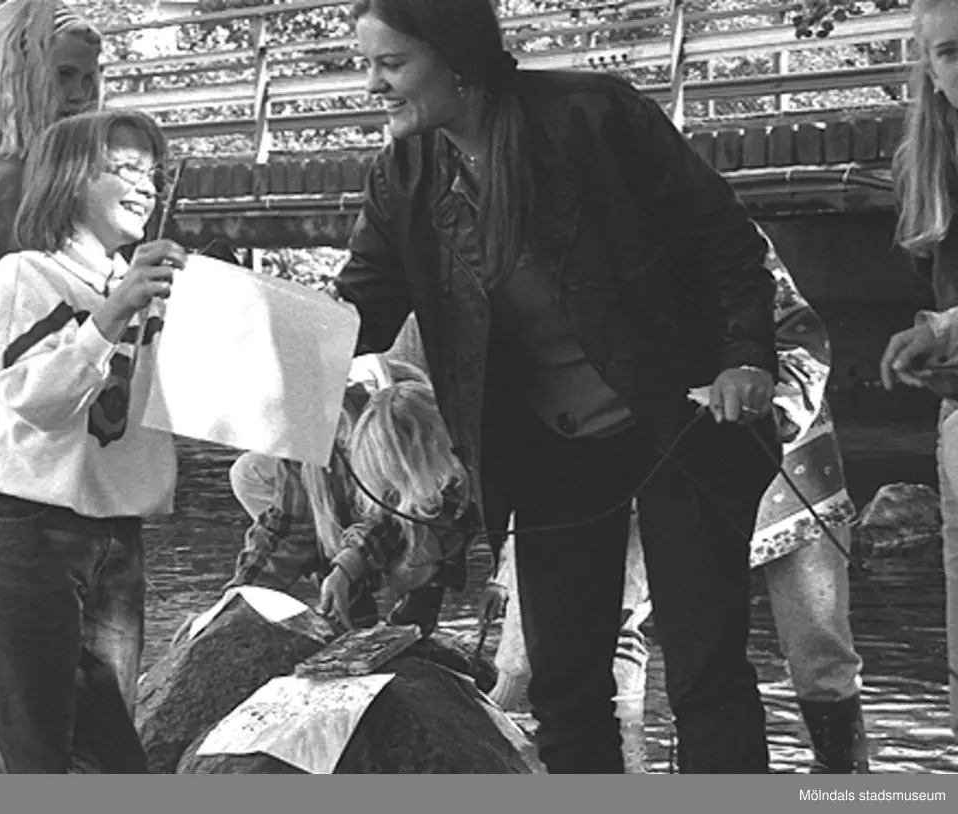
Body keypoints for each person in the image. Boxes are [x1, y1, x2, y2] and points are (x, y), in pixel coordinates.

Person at [332, 0, 783, 773]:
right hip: (548, 446)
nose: (371, 84)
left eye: (391, 63)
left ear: (457, 58)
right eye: (365, 64)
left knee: (706, 674)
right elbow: (358, 313)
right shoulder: (401, 174)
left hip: (679, 417)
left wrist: (746, 359)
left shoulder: (595, 115)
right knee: (564, 688)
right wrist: (230, 319)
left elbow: (726, 240)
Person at [485, 231, 871, 773]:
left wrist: (772, 406)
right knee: (615, 633)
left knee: (817, 647)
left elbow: (800, 335)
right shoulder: (559, 244)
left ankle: (848, 785)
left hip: (785, 465)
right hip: (653, 462)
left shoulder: (717, 232)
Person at [0, 109, 187, 773]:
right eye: (125, 168)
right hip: (28, 536)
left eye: (154, 173)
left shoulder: (139, 291)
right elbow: (35, 400)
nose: (147, 185)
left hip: (117, 538)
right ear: (69, 180)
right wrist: (114, 313)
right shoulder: (25, 277)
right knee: (32, 754)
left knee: (110, 759)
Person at [0, 0, 103, 501]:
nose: (80, 95)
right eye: (64, 76)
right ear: (17, 78)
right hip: (26, 466)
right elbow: (25, 348)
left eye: (89, 78)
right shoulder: (15, 186)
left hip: (23, 459)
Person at [227, 370, 480, 636]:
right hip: (364, 526)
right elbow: (287, 526)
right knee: (250, 474)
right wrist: (241, 594)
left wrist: (346, 567)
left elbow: (398, 519)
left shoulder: (394, 423)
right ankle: (348, 605)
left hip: (418, 522)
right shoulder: (302, 439)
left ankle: (419, 602)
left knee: (412, 558)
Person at [879, 0, 958, 742]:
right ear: (929, 70)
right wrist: (936, 346)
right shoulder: (928, 165)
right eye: (951, 53)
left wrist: (946, 330)